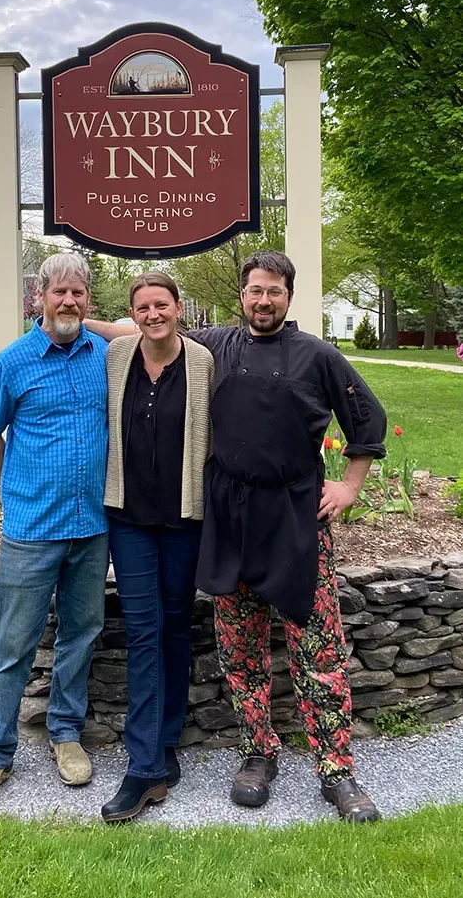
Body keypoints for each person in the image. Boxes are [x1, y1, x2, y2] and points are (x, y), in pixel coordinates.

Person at [86, 250, 386, 824]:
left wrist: (349, 485)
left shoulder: (317, 355)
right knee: (240, 645)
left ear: (289, 297)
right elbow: (144, 323)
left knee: (315, 644)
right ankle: (257, 753)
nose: (264, 301)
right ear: (242, 296)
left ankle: (337, 768)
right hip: (228, 513)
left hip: (295, 514)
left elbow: (366, 419)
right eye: (255, 291)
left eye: (274, 291)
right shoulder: (217, 347)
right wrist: (71, 321)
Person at [0, 253, 109, 812]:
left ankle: (65, 734)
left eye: (78, 293)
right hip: (31, 527)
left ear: (87, 299)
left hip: (92, 525)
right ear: (39, 297)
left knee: (81, 633)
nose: (69, 302)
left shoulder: (104, 357)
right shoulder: (12, 363)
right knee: (14, 644)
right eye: (59, 293)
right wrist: (15, 482)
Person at [100, 271, 214, 822]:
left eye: (161, 305)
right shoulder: (117, 355)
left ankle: (167, 741)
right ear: (132, 314)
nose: (153, 315)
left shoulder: (202, 362)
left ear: (179, 307)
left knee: (175, 627)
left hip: (183, 519)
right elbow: (95, 328)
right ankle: (143, 768)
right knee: (143, 632)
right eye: (142, 307)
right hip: (129, 520)